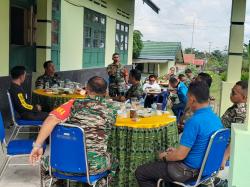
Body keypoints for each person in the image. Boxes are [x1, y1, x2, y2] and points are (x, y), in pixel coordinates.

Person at [29, 76, 119, 186]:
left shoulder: (73, 104)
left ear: (86, 89)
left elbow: (50, 120)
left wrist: (37, 146)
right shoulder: (112, 109)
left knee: (45, 162)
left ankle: (56, 183)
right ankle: (101, 183)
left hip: (61, 163)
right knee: (114, 161)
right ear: (106, 91)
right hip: (93, 166)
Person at [135, 81, 223, 187]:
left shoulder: (194, 121)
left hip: (188, 172)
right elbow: (200, 146)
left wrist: (163, 157)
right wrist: (176, 151)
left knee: (141, 172)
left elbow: (180, 156)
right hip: (207, 170)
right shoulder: (216, 119)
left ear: (191, 99)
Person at [220, 80, 247, 169]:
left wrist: (225, 157)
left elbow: (236, 137)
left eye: (233, 93)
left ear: (244, 97)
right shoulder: (235, 107)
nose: (231, 94)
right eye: (231, 91)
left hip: (225, 152)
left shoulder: (240, 112)